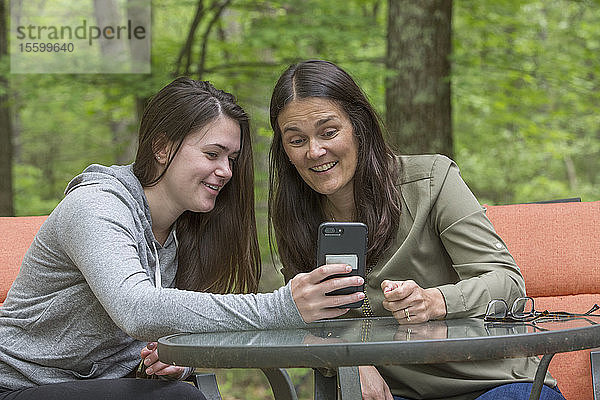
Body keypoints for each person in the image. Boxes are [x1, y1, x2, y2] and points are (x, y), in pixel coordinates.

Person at [0, 77, 365, 400]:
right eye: (212, 154)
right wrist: (282, 306)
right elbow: (137, 309)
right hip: (20, 384)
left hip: (93, 385)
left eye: (232, 158)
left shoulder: (181, 233)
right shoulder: (95, 206)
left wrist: (172, 360)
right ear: (162, 148)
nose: (225, 171)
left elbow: (155, 332)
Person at [267, 60, 566, 400]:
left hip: (490, 382)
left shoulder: (432, 180)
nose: (315, 151)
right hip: (397, 392)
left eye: (329, 132)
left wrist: (436, 300)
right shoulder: (296, 217)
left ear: (358, 126)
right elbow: (305, 317)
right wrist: (348, 360)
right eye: (296, 140)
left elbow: (507, 282)